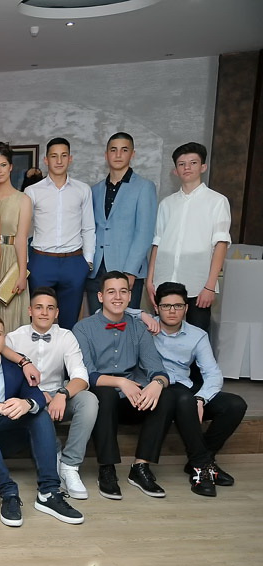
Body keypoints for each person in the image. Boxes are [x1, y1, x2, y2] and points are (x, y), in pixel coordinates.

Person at [0, 313, 84, 526]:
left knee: (38, 413)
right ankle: (8, 493)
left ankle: (48, 492)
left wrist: (27, 403)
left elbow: (37, 395)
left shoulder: (15, 367)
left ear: (4, 338)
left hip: (3, 439)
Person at [73, 271, 191, 500]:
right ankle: (107, 468)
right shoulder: (83, 328)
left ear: (129, 297)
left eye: (123, 292)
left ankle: (141, 467)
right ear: (100, 296)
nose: (117, 297)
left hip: (132, 399)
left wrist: (157, 383)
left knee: (166, 395)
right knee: (105, 394)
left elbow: (158, 369)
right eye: (111, 292)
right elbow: (86, 374)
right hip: (102, 400)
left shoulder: (138, 328)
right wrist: (120, 381)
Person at [146, 282, 246, 493]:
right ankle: (202, 467)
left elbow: (213, 373)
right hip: (158, 392)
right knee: (183, 398)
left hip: (186, 389)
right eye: (166, 306)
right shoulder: (145, 327)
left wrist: (201, 398)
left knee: (235, 404)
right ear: (157, 307)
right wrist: (142, 315)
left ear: (186, 308)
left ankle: (202, 459)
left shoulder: (197, 335)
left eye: (178, 306)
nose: (172, 311)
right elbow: (109, 311)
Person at [5, 287, 97, 500]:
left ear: (57, 313)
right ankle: (53, 455)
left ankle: (69, 466)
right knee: (36, 409)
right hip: (27, 397)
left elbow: (81, 377)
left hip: (58, 394)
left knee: (89, 400)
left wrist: (62, 394)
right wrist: (36, 393)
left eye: (50, 308)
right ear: (30, 311)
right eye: (39, 307)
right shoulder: (14, 338)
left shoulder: (66, 336)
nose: (44, 312)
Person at [147, 142, 231, 335]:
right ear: (175, 170)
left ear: (203, 167)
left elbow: (221, 244)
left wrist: (210, 286)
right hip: (164, 281)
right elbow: (157, 243)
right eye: (181, 164)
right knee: (160, 336)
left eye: (193, 163)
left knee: (196, 337)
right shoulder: (166, 204)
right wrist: (150, 281)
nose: (187, 167)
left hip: (198, 285)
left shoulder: (217, 201)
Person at [25, 138, 95, 328]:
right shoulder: (32, 191)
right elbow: (22, 230)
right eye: (54, 156)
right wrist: (26, 262)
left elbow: (88, 227)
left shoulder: (83, 190)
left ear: (70, 159)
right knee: (39, 320)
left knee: (69, 323)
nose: (59, 161)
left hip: (74, 262)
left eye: (63, 156)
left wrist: (87, 261)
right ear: (46, 160)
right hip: (41, 261)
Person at [86, 132, 157, 312]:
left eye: (124, 150)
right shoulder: (95, 190)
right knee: (97, 322)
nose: (118, 155)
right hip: (96, 271)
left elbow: (144, 233)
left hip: (127, 271)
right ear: (106, 155)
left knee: (125, 323)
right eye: (113, 150)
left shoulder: (144, 187)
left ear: (132, 154)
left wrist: (130, 271)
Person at [0, 142, 32, 331]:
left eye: (3, 165)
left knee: (11, 316)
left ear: (11, 166)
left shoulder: (23, 199)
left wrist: (21, 274)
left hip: (12, 259)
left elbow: (21, 239)